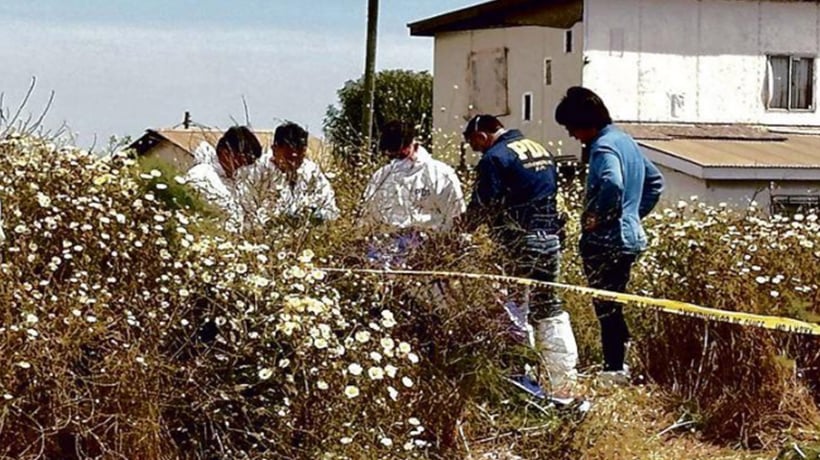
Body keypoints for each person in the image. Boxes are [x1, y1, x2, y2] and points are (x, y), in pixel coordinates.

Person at [461, 114, 579, 400]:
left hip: (519, 241)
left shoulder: (495, 157)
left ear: (481, 135)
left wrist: (461, 229)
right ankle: (563, 378)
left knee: (515, 308)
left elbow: (484, 203)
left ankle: (520, 376)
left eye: (473, 143)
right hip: (550, 238)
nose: (475, 150)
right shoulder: (540, 149)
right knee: (550, 307)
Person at [555, 86, 664, 384]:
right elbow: (655, 182)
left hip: (606, 241)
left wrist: (600, 217)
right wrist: (633, 215)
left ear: (584, 123)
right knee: (616, 303)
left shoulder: (603, 147)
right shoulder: (625, 141)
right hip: (629, 238)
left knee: (606, 308)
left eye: (571, 128)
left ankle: (614, 368)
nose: (572, 136)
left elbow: (613, 183)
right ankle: (621, 363)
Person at [362, 120, 465, 232]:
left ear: (413, 144)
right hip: (387, 241)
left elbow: (456, 215)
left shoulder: (440, 174)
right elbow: (369, 214)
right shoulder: (381, 176)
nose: (397, 160)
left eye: (401, 154)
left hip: (428, 241)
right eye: (392, 155)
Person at [251, 122, 339, 224]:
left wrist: (314, 217)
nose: (294, 156)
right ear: (275, 149)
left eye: (300, 150)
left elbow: (331, 209)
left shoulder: (312, 172)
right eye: (288, 151)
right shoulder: (257, 173)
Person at [184, 126, 263, 230]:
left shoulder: (236, 184)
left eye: (248, 163)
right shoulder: (201, 176)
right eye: (241, 160)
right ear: (225, 152)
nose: (243, 166)